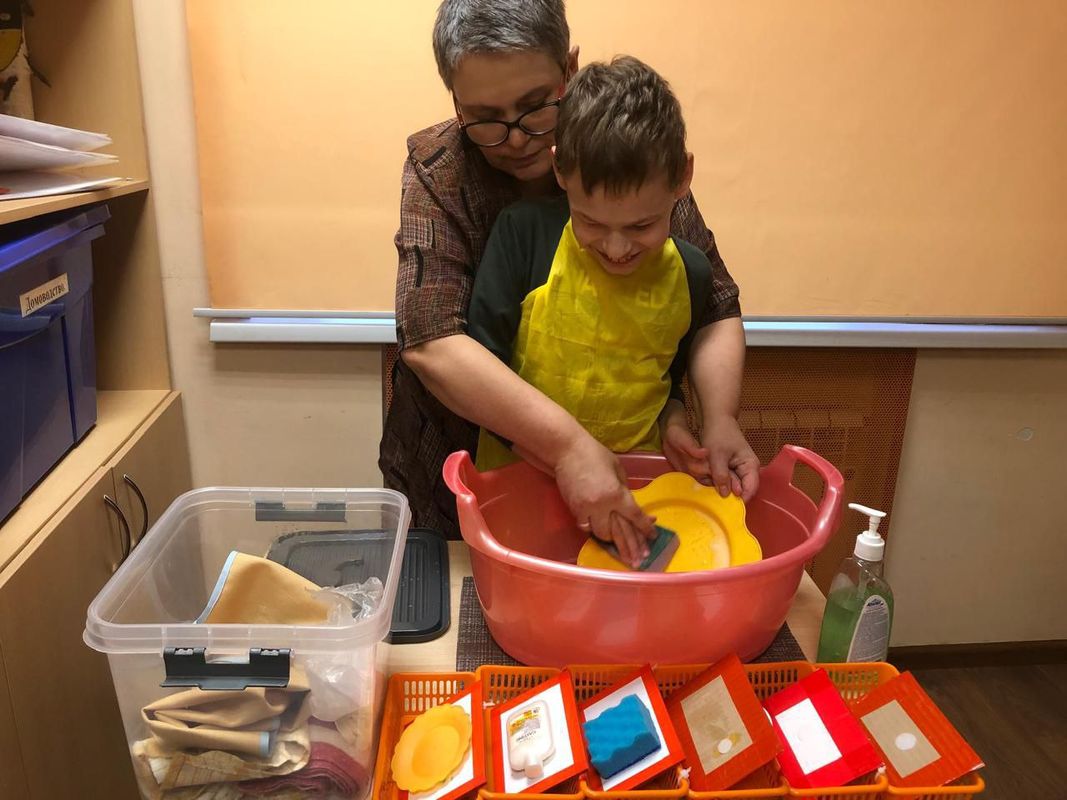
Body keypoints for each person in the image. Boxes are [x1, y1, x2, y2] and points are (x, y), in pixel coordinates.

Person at [379, 0, 759, 550]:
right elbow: (432, 340)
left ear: (569, 68)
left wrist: (717, 418)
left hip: (617, 475)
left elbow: (714, 306)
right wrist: (566, 447)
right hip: (458, 467)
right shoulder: (439, 168)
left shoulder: (628, 153)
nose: (515, 138)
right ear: (456, 102)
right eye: (485, 118)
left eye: (536, 106)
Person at [467, 55, 741, 565]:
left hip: (637, 500)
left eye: (641, 226)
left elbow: (664, 385)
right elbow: (481, 371)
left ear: (683, 177)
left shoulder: (692, 274)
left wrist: (677, 427)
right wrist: (561, 456)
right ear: (559, 170)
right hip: (520, 492)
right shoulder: (523, 236)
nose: (616, 249)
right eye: (591, 222)